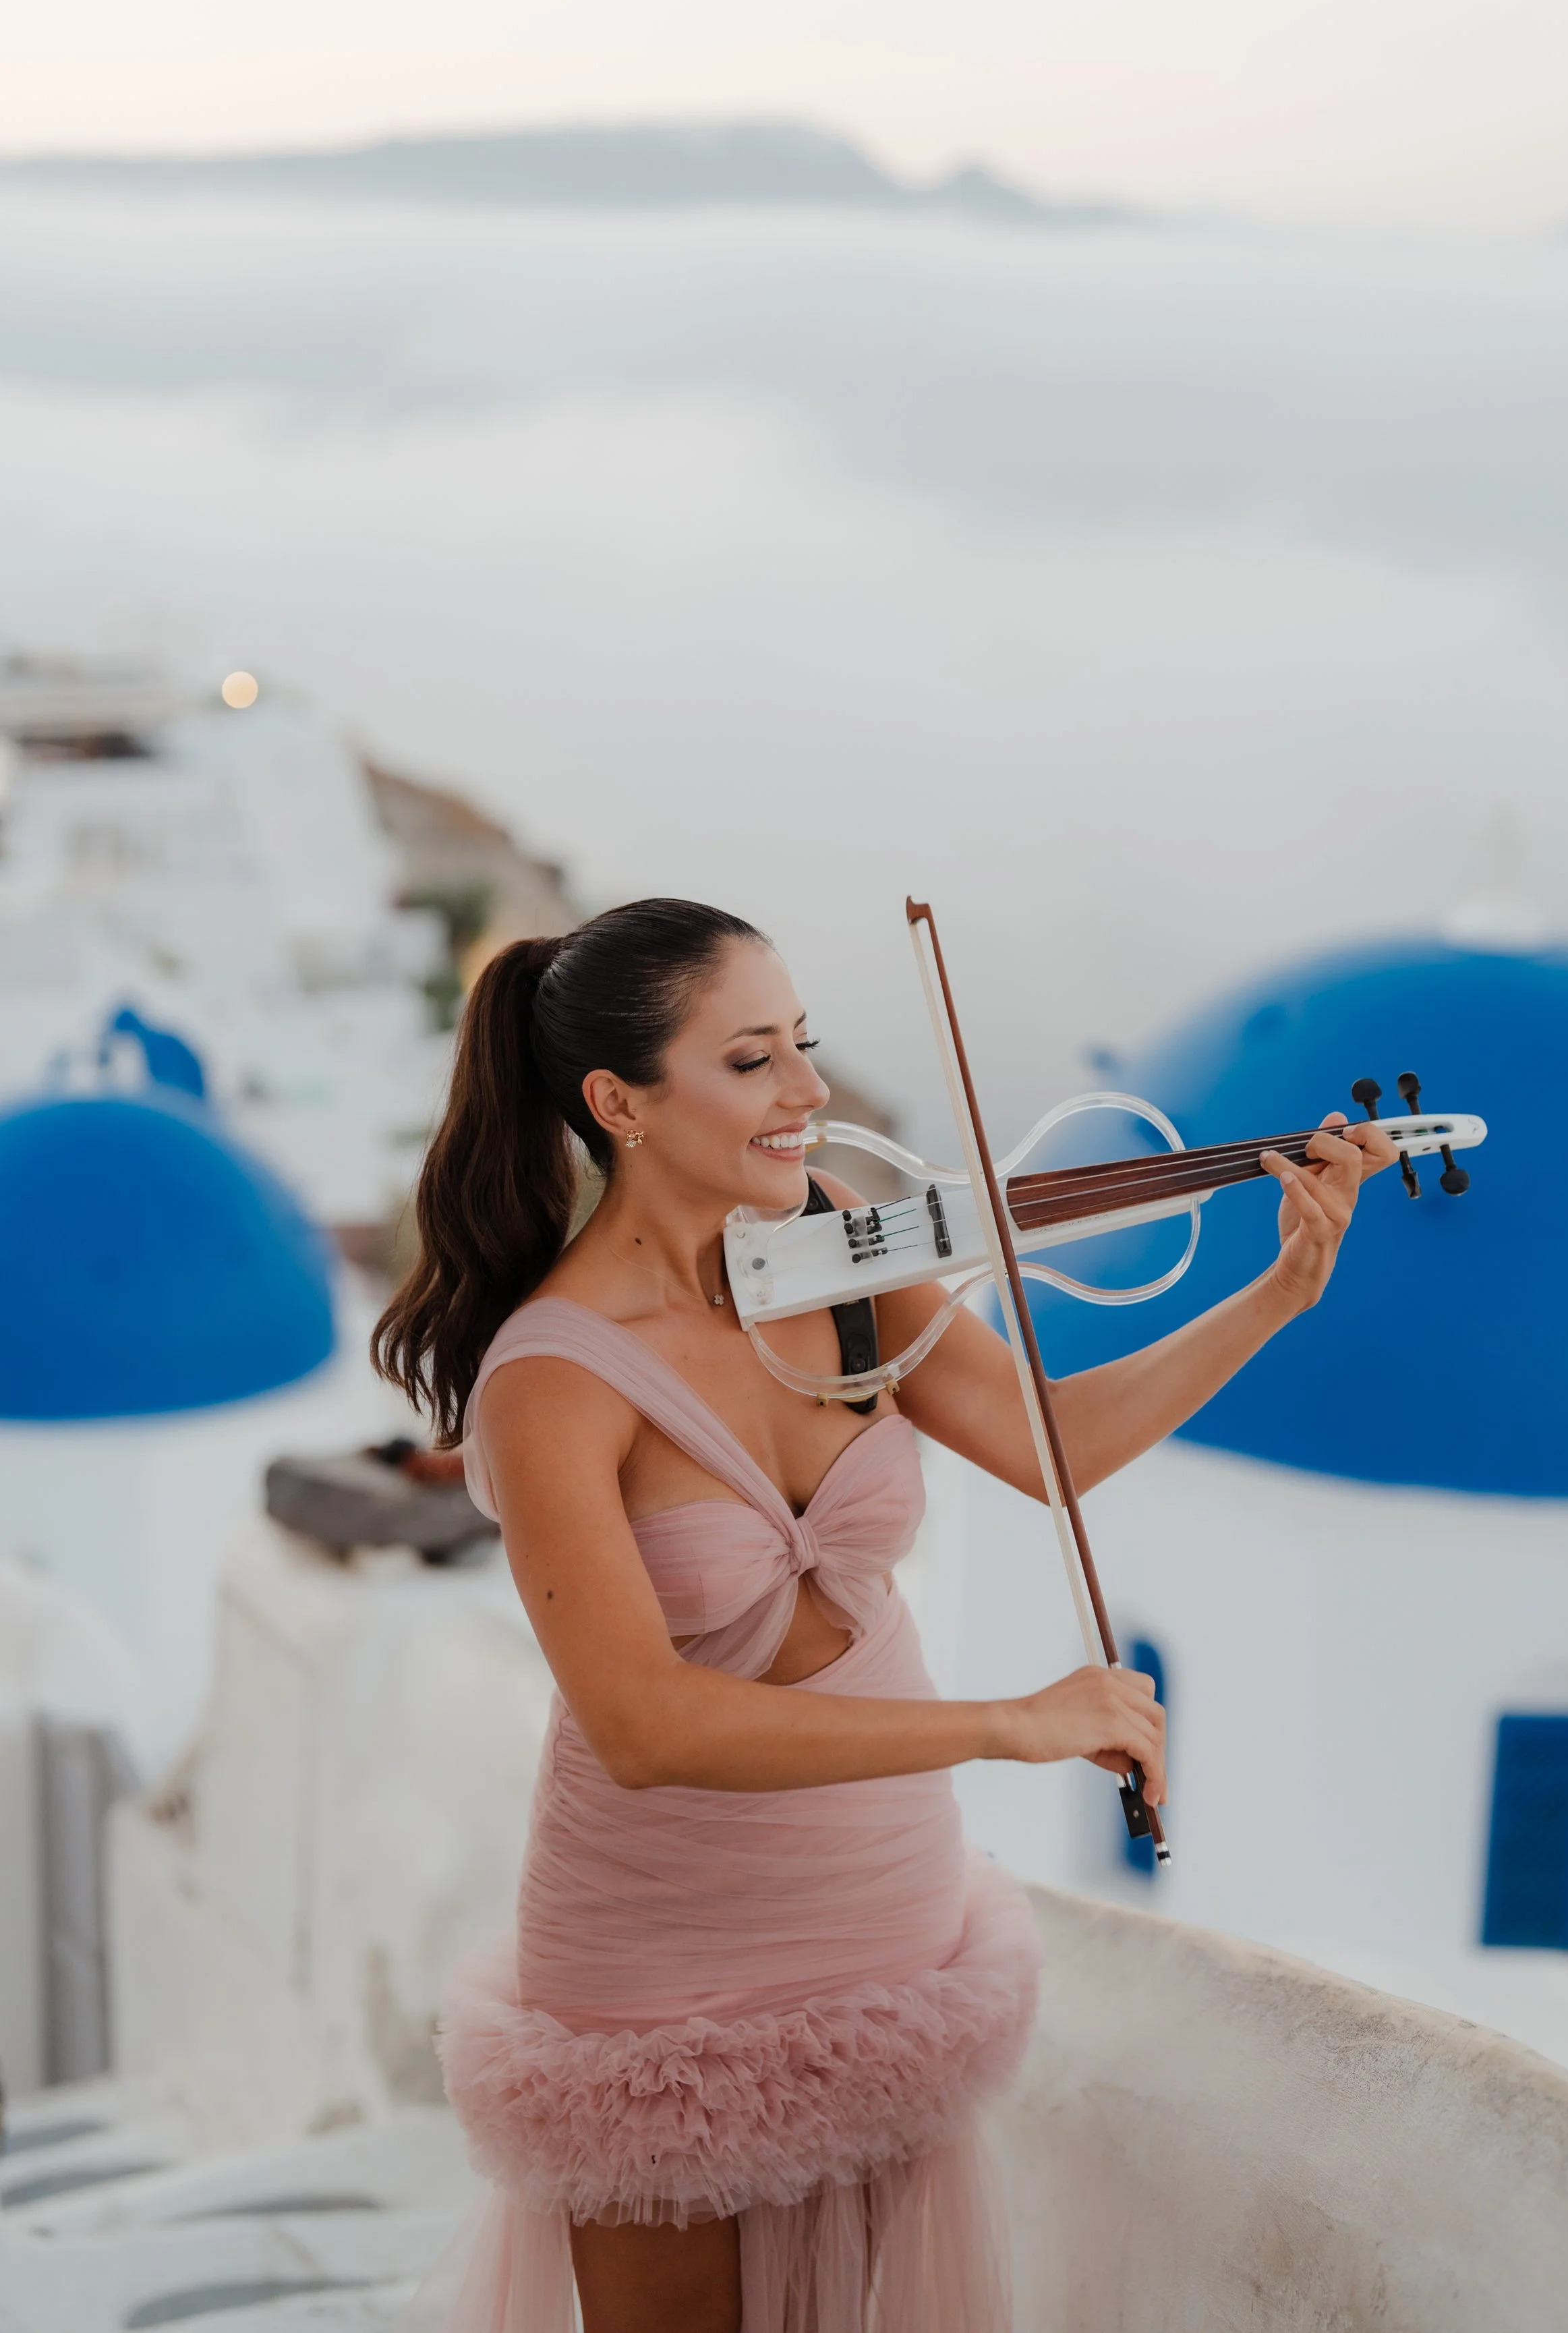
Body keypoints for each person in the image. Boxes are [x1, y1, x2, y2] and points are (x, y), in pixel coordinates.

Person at [374, 899, 1395, 2333]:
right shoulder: (554, 1379)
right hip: (662, 1957)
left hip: (881, 1917)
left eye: (803, 1048)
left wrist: (1274, 1293)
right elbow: (643, 1724)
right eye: (750, 1062)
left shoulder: (849, 1261)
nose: (806, 1095)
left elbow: (1053, 1450)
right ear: (621, 1103)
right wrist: (1010, 1725)